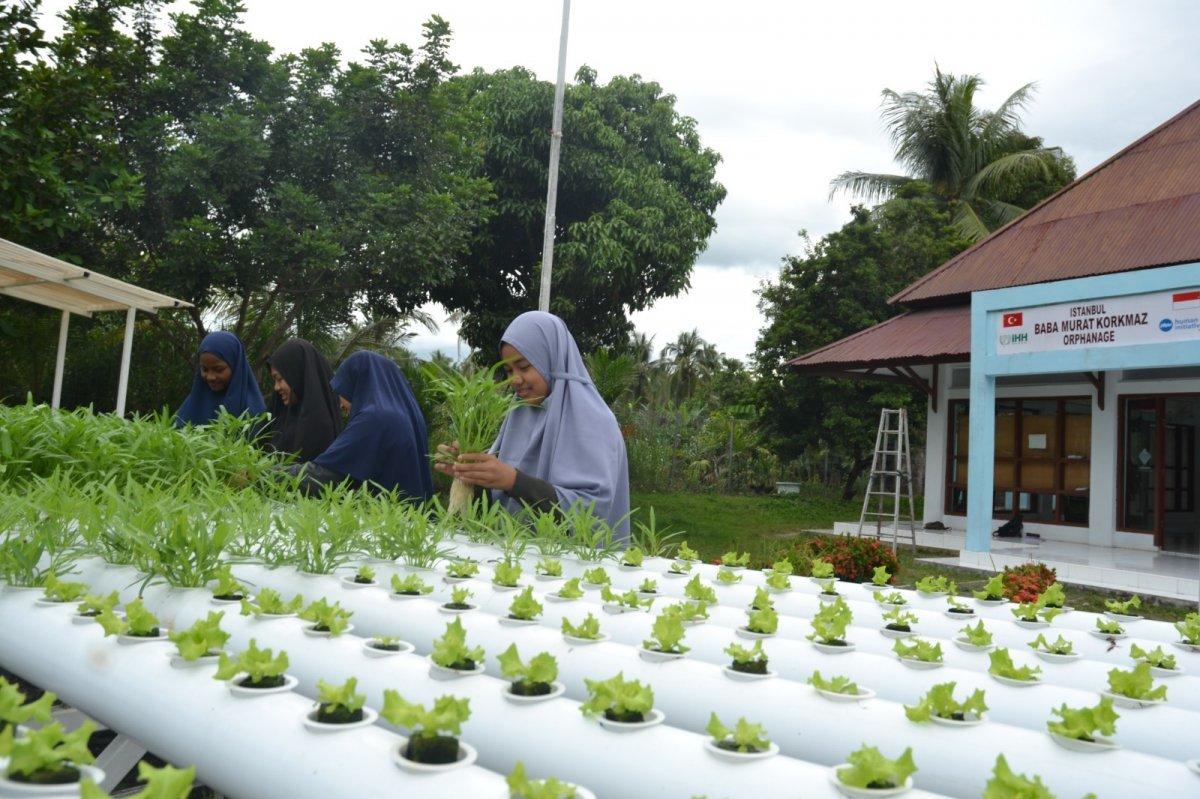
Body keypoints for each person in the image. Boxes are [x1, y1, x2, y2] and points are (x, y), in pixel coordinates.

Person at [435, 311, 631, 540]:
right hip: (517, 561)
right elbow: (501, 503)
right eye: (508, 370)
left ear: (550, 359)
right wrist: (473, 475)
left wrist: (512, 480)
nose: (514, 379)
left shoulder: (593, 421)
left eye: (524, 366)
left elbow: (592, 514)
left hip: (572, 567)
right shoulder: (518, 414)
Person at [287, 350, 435, 499]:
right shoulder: (410, 416)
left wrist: (268, 472)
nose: (340, 404)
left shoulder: (375, 418)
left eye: (342, 390)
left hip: (387, 517)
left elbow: (325, 476)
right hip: (414, 516)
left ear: (358, 382)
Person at [263, 338, 342, 462]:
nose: (276, 387)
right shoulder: (279, 415)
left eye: (279, 379)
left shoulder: (319, 429)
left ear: (296, 375)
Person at [174, 331, 265, 427]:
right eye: (204, 369)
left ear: (235, 366)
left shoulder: (253, 413)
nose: (210, 377)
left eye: (218, 370)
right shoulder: (194, 403)